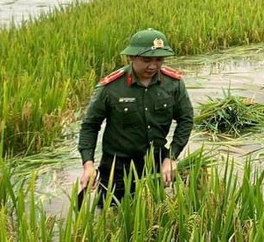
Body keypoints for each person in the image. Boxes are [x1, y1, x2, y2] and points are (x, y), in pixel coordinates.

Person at [77, 29, 194, 205]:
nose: (153, 66)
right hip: (117, 166)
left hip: (155, 162)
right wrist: (88, 165)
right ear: (132, 57)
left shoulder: (173, 84)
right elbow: (90, 125)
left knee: (154, 213)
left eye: (159, 60)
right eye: (146, 60)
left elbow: (186, 119)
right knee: (111, 216)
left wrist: (171, 157)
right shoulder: (111, 87)